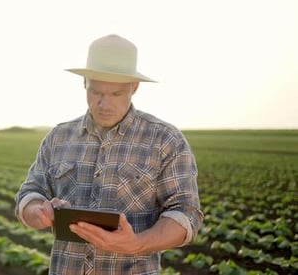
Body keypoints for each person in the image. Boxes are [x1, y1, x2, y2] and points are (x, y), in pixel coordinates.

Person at [15, 34, 203, 274]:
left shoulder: (165, 140)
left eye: (115, 94)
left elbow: (186, 212)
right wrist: (37, 211)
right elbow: (30, 192)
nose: (104, 104)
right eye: (96, 93)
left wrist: (138, 243)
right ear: (84, 83)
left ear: (134, 88)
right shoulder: (58, 137)